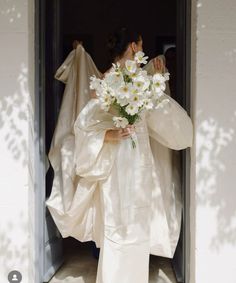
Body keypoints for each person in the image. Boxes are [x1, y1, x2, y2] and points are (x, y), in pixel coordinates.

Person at [46, 27, 193, 283]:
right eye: (141, 44)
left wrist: (157, 79)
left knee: (138, 216)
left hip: (141, 158)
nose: (144, 49)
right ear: (134, 47)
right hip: (117, 159)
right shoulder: (108, 80)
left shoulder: (140, 79)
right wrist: (109, 135)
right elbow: (84, 124)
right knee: (117, 218)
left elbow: (156, 116)